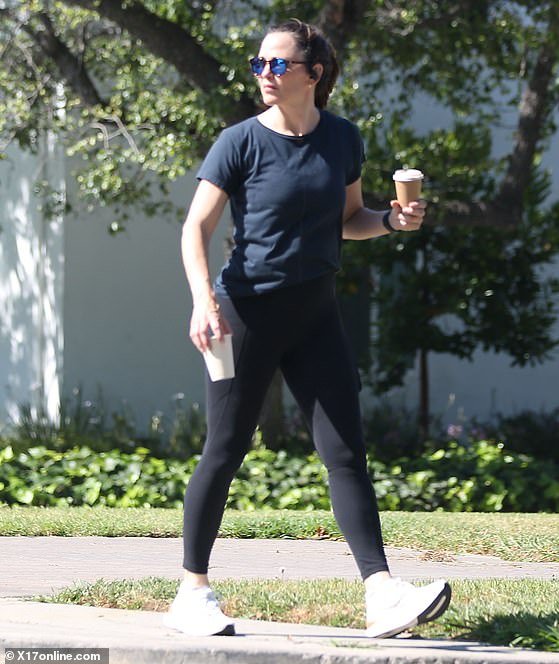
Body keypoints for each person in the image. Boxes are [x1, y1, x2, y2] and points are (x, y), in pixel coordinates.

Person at [163, 18, 451, 639]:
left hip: (317, 312)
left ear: (313, 74)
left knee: (346, 452)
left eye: (278, 64)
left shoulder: (342, 140)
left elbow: (349, 220)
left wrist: (394, 222)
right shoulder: (238, 142)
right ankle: (193, 592)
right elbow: (195, 230)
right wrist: (201, 301)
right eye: (259, 64)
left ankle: (381, 593)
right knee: (226, 448)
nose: (265, 74)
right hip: (245, 312)